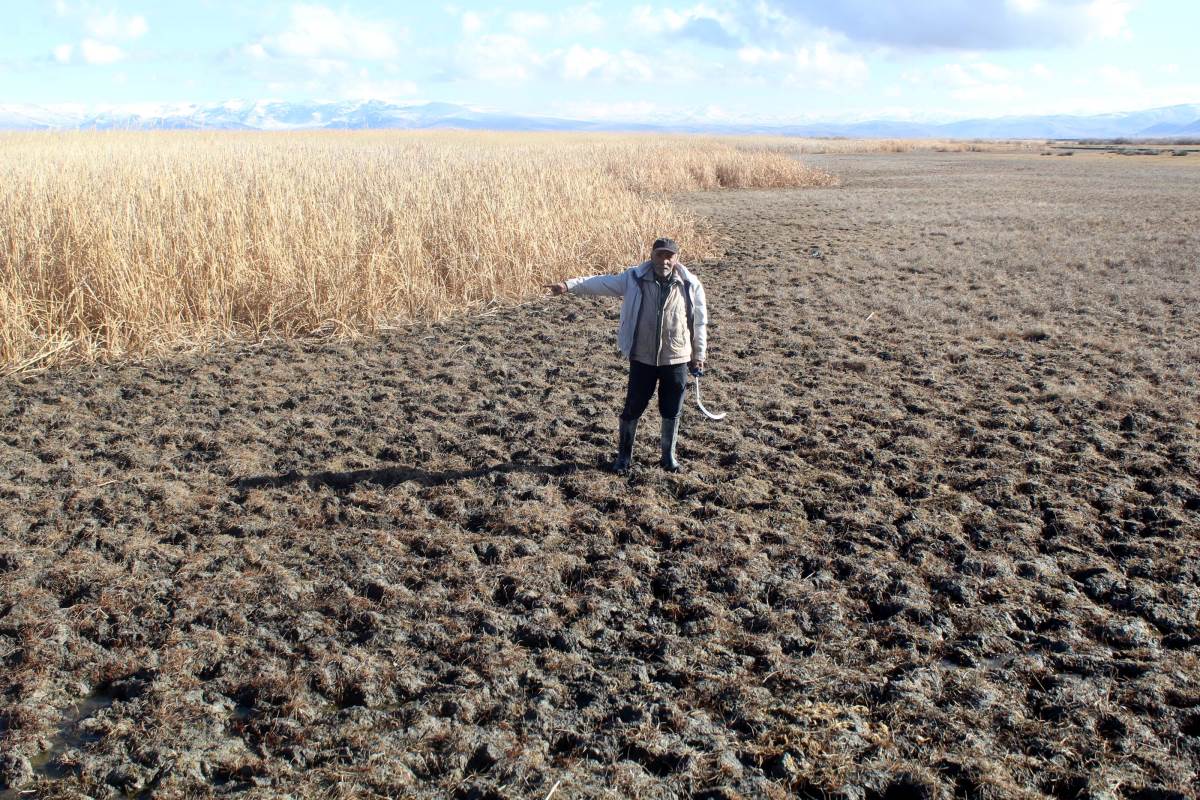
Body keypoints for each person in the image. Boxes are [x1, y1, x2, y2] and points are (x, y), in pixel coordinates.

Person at [545, 237, 708, 473]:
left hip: (677, 356)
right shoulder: (633, 279)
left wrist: (699, 354)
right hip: (641, 357)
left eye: (669, 256)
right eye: (660, 255)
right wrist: (568, 285)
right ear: (652, 256)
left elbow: (699, 322)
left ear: (676, 258)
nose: (664, 260)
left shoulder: (690, 285)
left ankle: (668, 457)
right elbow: (600, 283)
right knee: (633, 406)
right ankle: (623, 457)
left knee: (672, 409)